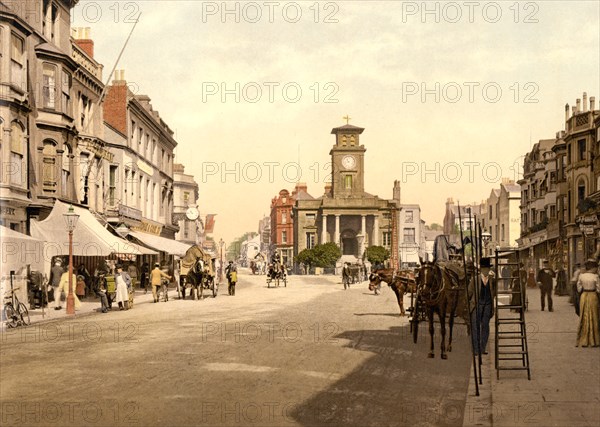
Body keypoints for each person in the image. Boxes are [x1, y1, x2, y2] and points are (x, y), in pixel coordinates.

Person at [471, 257, 496, 355]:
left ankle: (482, 348)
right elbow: (468, 292)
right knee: (475, 327)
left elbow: (494, 292)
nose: (486, 270)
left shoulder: (491, 280)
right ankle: (476, 350)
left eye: (488, 269)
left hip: (488, 306)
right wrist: (470, 304)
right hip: (477, 305)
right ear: (481, 269)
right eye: (484, 269)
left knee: (485, 327)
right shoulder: (475, 279)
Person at [576, 259, 600, 347]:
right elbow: (599, 289)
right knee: (594, 316)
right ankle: (595, 340)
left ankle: (583, 339)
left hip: (584, 295)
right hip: (593, 296)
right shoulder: (596, 277)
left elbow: (579, 288)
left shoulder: (581, 276)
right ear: (593, 268)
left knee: (584, 316)